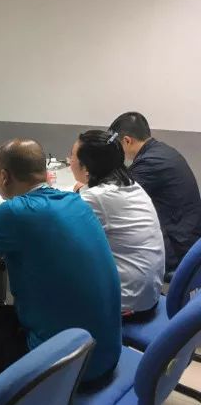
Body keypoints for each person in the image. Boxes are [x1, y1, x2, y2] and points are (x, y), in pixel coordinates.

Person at [0, 139, 121, 398]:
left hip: (68, 368)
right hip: (105, 353)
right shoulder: (75, 201)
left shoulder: (15, 211)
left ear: (4, 177)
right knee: (0, 315)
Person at [70, 130, 164, 317]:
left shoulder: (97, 198)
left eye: (72, 156)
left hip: (128, 303)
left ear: (86, 167)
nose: (69, 160)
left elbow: (60, 228)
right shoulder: (130, 184)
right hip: (148, 291)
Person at [110, 112, 201, 274]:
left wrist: (86, 184)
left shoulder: (150, 162)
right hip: (186, 237)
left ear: (127, 141)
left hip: (176, 247)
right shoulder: (160, 151)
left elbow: (117, 196)